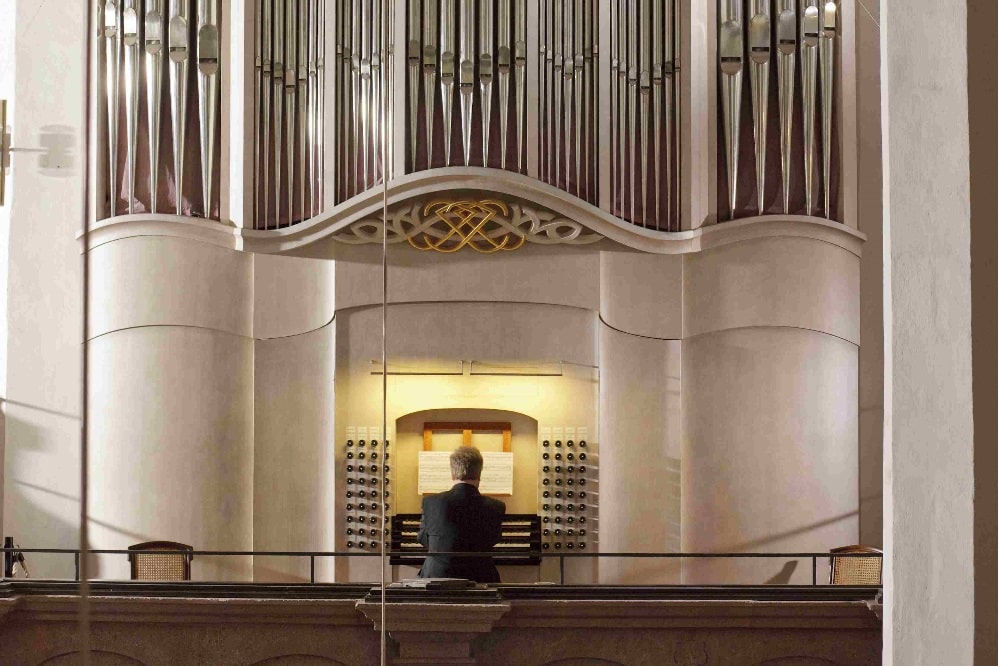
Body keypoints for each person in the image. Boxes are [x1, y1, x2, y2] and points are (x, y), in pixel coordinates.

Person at [417, 446, 506, 583]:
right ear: (479, 474)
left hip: (437, 577)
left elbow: (423, 539)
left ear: (452, 474)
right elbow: (494, 539)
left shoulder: (430, 502)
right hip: (480, 578)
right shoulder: (496, 506)